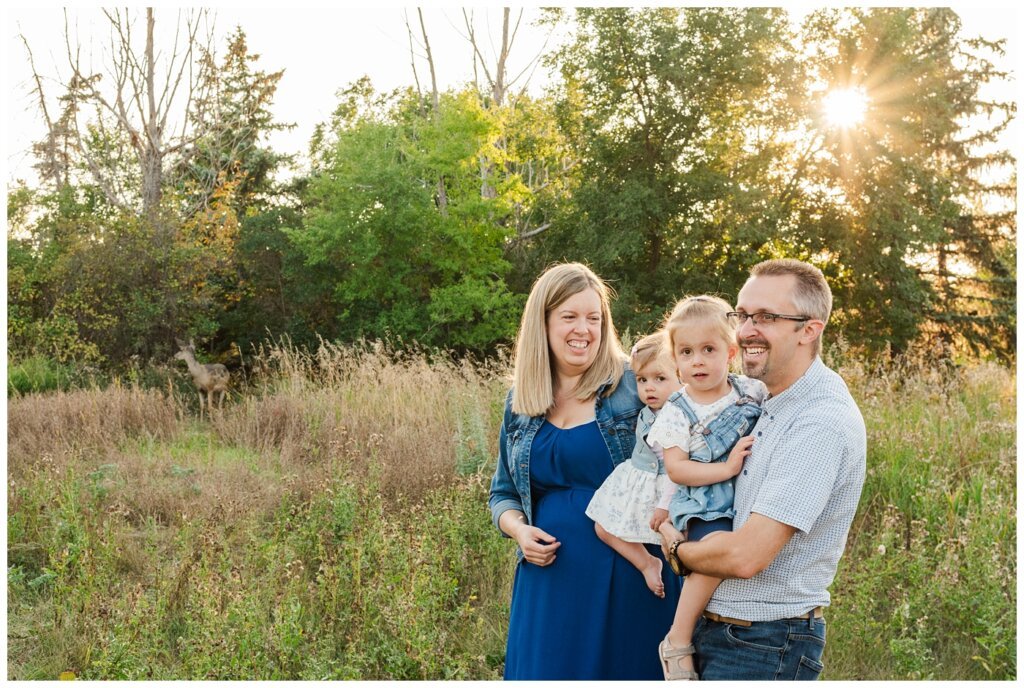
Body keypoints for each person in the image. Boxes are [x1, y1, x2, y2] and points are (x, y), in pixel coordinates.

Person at [658, 259, 867, 681]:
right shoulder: (766, 399)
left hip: (764, 644)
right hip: (729, 633)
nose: (747, 329)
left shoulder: (819, 422)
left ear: (810, 329)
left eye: (767, 317)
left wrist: (677, 552)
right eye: (743, 314)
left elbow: (745, 555)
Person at [488, 262, 681, 680]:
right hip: (548, 581)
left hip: (632, 574)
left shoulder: (634, 384)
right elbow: (502, 492)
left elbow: (698, 424)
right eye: (570, 317)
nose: (584, 329)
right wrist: (520, 531)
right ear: (543, 322)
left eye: (594, 318)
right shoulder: (520, 401)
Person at [648, 295, 767, 680]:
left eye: (708, 349)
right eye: (686, 352)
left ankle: (699, 635)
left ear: (730, 352)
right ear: (675, 360)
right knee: (714, 556)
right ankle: (677, 639)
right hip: (704, 499)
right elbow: (679, 470)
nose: (697, 360)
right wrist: (727, 466)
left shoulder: (749, 391)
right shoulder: (677, 411)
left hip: (748, 496)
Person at [584, 332, 681, 598]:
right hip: (636, 480)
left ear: (681, 378)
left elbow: (678, 467)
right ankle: (646, 563)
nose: (649, 387)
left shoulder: (679, 417)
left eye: (660, 379)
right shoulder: (648, 411)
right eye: (642, 380)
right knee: (603, 526)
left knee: (672, 540)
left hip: (665, 488)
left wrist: (664, 506)